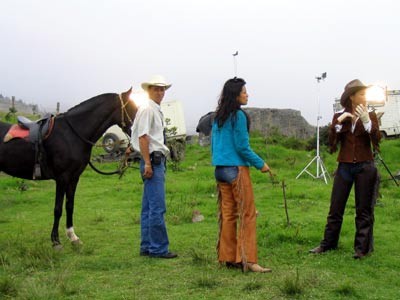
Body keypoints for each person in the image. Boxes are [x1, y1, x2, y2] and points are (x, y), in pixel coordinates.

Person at [310, 79, 381, 259]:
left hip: (365, 166)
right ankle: (328, 243)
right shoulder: (339, 116)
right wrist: (339, 123)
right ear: (352, 97)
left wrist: (366, 122)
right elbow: (332, 142)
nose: (365, 97)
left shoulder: (370, 115)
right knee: (336, 207)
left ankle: (362, 249)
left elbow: (376, 138)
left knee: (364, 209)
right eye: (362, 94)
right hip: (344, 166)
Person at [211, 77, 272, 272]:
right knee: (247, 214)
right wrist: (261, 164)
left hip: (220, 169)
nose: (247, 94)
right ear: (236, 95)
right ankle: (249, 260)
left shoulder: (218, 117)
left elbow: (215, 145)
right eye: (244, 91)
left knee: (228, 215)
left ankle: (228, 257)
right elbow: (242, 147)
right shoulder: (239, 116)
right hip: (236, 169)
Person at [127, 75, 177, 259]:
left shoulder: (150, 109)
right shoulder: (149, 109)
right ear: (149, 90)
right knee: (157, 206)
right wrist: (148, 162)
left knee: (148, 207)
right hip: (153, 160)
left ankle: (147, 245)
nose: (160, 92)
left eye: (162, 89)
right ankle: (158, 248)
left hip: (152, 159)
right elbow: (143, 137)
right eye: (156, 88)